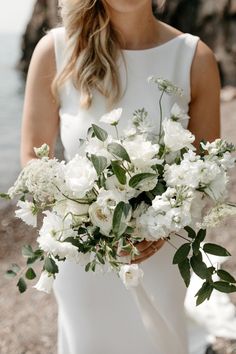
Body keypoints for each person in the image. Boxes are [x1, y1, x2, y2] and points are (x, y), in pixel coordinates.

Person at [20, 1, 221, 353]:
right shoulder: (56, 50)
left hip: (160, 255)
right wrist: (88, 224)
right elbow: (33, 159)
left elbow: (206, 172)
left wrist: (160, 228)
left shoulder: (193, 59)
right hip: (84, 260)